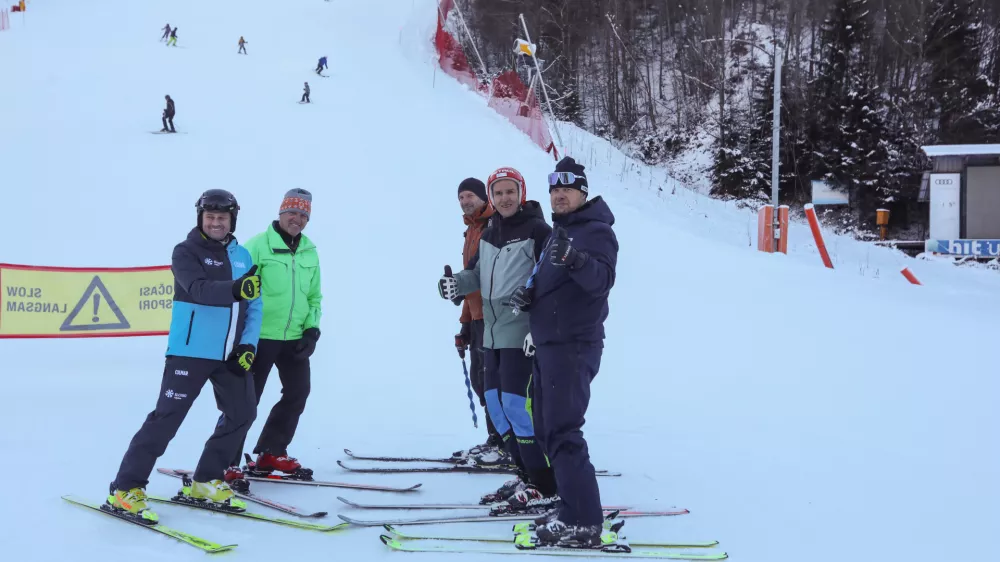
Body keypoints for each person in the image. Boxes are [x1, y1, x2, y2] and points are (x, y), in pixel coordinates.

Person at [106, 189, 263, 523]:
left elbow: (255, 305)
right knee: (167, 419)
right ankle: (125, 488)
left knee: (242, 413)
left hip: (230, 355)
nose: (216, 223)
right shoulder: (186, 252)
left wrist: (248, 345)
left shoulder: (244, 256)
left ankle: (206, 480)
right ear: (201, 218)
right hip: (190, 352)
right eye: (210, 217)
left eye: (222, 218)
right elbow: (200, 290)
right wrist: (236, 289)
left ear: (232, 220)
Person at [508, 157, 619, 547]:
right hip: (549, 344)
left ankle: (584, 521)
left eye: (566, 190)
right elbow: (549, 279)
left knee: (563, 431)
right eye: (554, 190)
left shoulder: (595, 232)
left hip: (573, 345)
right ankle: (571, 506)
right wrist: (530, 294)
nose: (558, 196)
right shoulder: (562, 232)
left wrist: (576, 260)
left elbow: (601, 280)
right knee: (545, 428)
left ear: (582, 193)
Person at [438, 167, 556, 507]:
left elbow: (551, 282)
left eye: (510, 191)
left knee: (519, 407)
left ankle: (546, 484)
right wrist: (455, 285)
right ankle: (525, 474)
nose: (504, 198)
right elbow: (475, 273)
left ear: (521, 193)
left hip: (520, 333)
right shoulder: (490, 231)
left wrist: (539, 327)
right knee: (495, 405)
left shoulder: (538, 230)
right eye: (499, 192)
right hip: (490, 332)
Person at [229, 189, 322, 485]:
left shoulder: (309, 250)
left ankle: (271, 451)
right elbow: (237, 292)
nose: (297, 219)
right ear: (281, 213)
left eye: (303, 215)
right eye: (292, 213)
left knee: (297, 393)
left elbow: (314, 296)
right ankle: (227, 461)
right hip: (259, 337)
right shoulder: (256, 247)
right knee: (245, 401)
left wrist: (311, 329)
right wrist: (240, 336)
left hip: (294, 338)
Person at [452, 178, 503, 459]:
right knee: (480, 379)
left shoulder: (494, 227)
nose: (465, 201)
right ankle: (495, 438)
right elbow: (470, 282)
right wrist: (465, 325)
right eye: (461, 197)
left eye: (470, 195)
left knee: (494, 380)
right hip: (477, 317)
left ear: (484, 197)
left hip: (497, 317)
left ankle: (505, 443)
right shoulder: (471, 230)